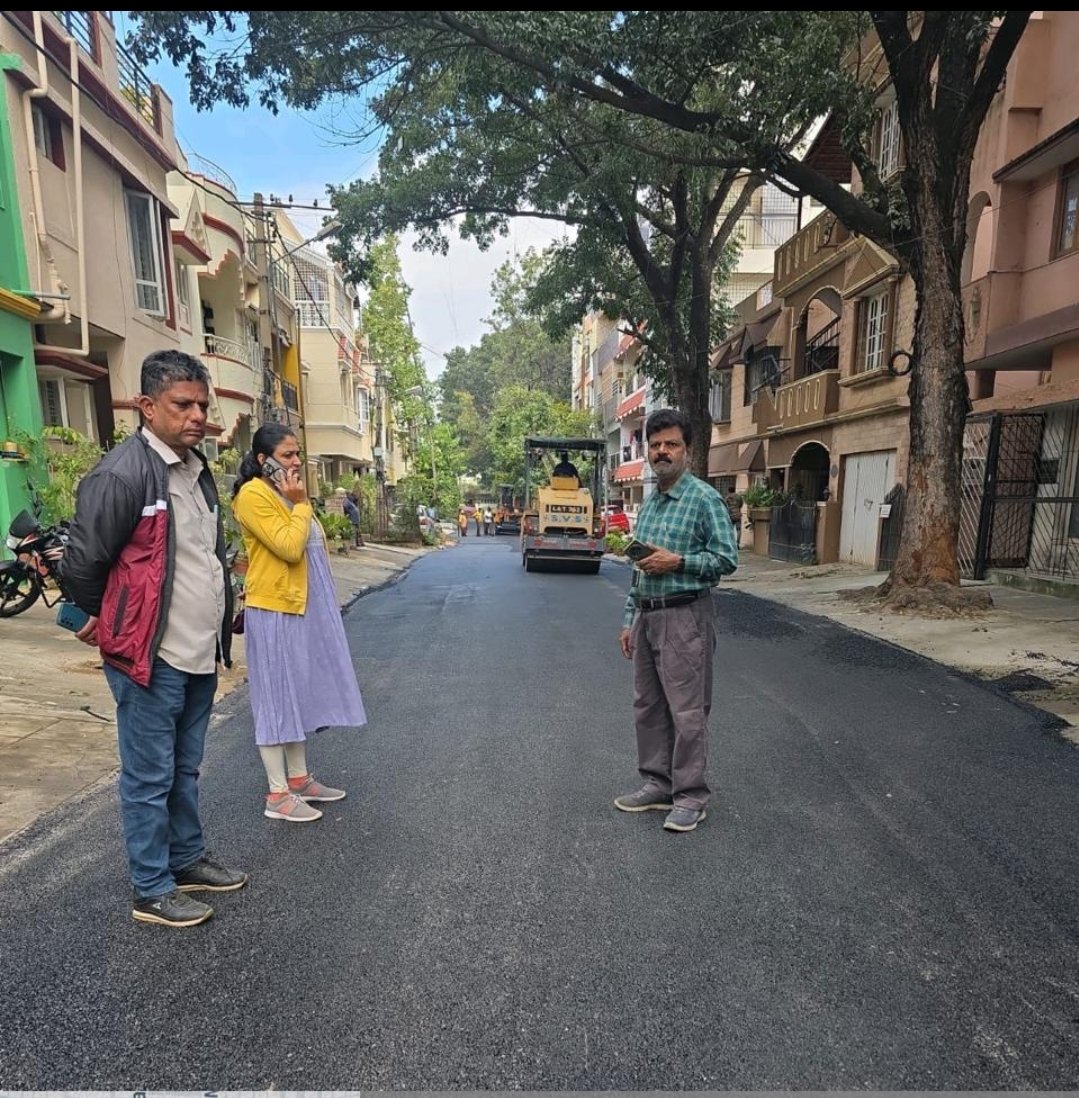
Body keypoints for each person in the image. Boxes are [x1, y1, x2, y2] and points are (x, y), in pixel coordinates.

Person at [61, 349, 247, 929]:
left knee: (184, 768)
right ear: (146, 406)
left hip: (197, 650)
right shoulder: (122, 474)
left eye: (202, 405)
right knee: (148, 776)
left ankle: (185, 859)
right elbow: (83, 563)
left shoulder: (194, 469)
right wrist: (102, 619)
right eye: (182, 404)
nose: (197, 416)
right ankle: (151, 887)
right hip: (149, 656)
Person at [232, 424, 367, 823]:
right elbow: (290, 548)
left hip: (299, 607)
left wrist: (295, 502)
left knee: (295, 693)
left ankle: (299, 779)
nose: (295, 463)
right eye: (287, 455)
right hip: (273, 608)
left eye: (297, 454)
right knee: (275, 698)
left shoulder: (282, 494)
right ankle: (277, 794)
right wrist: (301, 504)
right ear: (263, 460)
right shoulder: (253, 495)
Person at [615, 408, 739, 834]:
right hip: (648, 616)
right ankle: (658, 783)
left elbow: (727, 559)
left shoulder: (704, 500)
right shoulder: (650, 504)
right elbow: (639, 567)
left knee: (687, 711)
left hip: (685, 615)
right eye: (655, 445)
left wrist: (679, 561)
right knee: (648, 706)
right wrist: (630, 619)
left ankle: (690, 796)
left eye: (671, 444)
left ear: (687, 450)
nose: (662, 452)